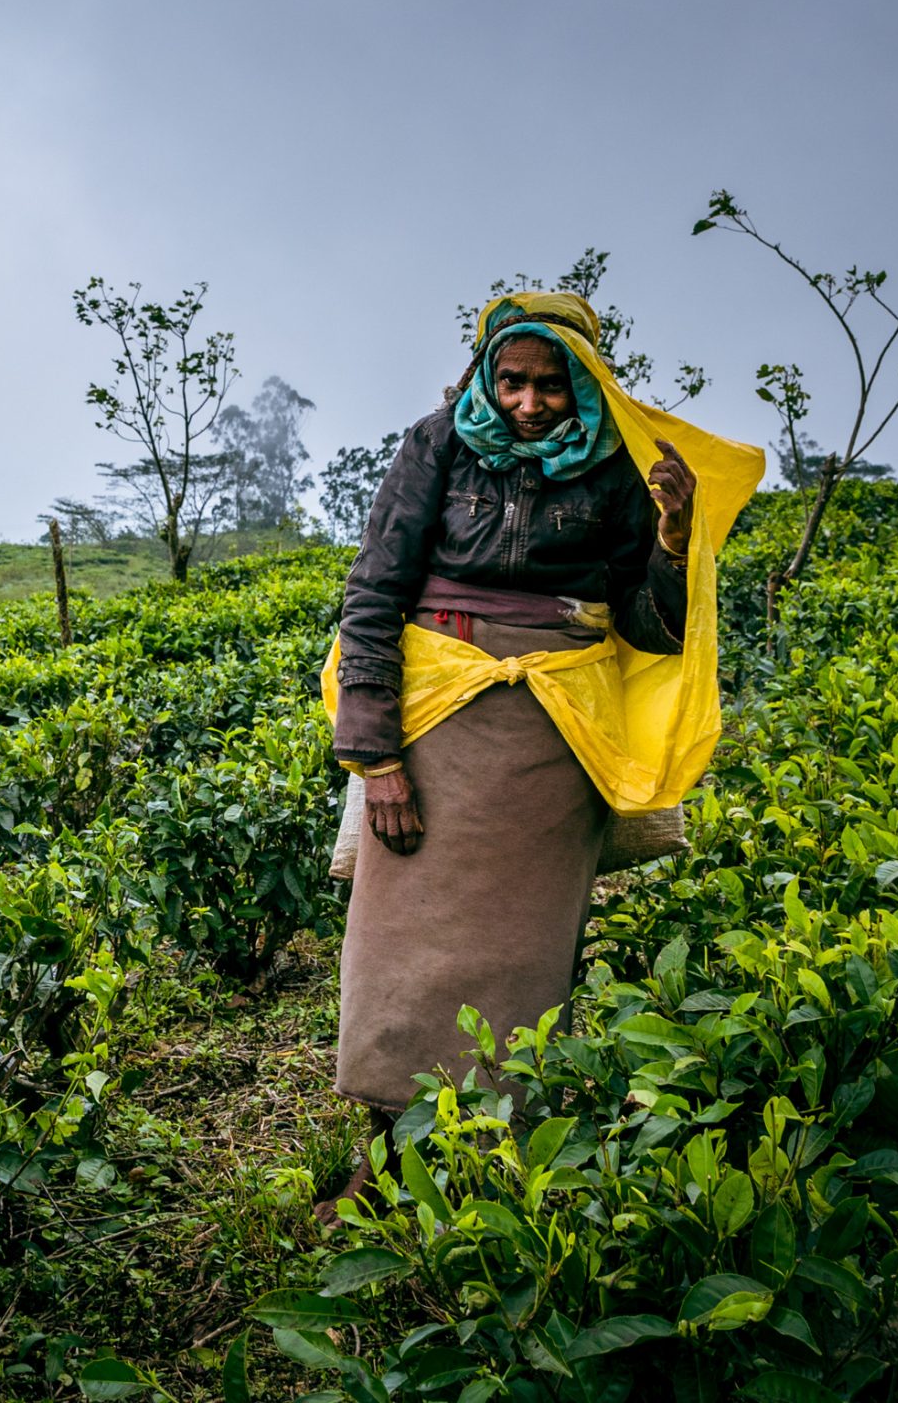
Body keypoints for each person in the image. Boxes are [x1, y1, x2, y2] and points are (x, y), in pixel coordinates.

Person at [321, 293, 705, 1216]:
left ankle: (488, 1158)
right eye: (512, 380)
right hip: (435, 720)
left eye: (549, 385)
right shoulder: (436, 443)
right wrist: (377, 760)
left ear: (583, 383)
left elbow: (649, 630)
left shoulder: (620, 466)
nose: (529, 403)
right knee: (397, 953)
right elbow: (375, 592)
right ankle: (387, 1155)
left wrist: (673, 542)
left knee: (523, 959)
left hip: (553, 737)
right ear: (487, 375)